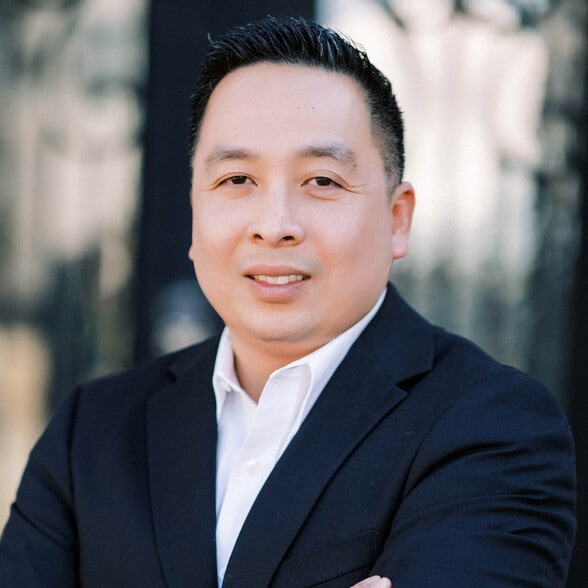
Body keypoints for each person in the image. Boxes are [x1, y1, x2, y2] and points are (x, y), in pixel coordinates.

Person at [0, 16, 576, 588]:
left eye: (322, 181)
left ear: (397, 219)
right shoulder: (93, 431)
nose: (274, 225)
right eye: (236, 180)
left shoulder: (492, 427)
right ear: (195, 212)